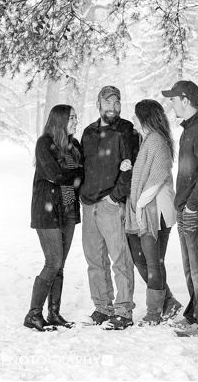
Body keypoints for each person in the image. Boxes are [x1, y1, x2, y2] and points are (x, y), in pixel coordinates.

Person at [162, 80, 198, 338]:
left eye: (173, 99)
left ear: (186, 100)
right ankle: (194, 316)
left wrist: (192, 205)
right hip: (188, 209)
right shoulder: (189, 129)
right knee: (190, 268)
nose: (171, 104)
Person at [79, 85, 139, 330]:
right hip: (89, 203)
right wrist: (81, 196)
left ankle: (123, 311)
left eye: (117, 103)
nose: (113, 108)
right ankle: (102, 307)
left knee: (120, 260)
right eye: (108, 102)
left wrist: (115, 198)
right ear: (99, 104)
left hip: (111, 205)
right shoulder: (88, 132)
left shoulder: (125, 130)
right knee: (95, 260)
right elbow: (83, 166)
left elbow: (130, 167)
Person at [123, 100, 183, 326]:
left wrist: (138, 205)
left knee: (153, 263)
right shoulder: (149, 140)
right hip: (149, 209)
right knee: (144, 261)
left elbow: (156, 180)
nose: (133, 120)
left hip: (155, 212)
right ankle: (168, 303)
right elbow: (147, 173)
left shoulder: (156, 141)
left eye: (136, 116)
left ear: (145, 118)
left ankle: (154, 312)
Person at [26, 105, 84, 331]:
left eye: (76, 117)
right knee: (53, 262)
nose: (76, 122)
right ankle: (33, 314)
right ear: (60, 120)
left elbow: (79, 175)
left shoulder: (74, 146)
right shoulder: (44, 143)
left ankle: (54, 313)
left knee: (60, 265)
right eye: (72, 118)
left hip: (69, 210)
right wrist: (76, 173)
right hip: (47, 211)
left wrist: (75, 174)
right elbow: (56, 175)